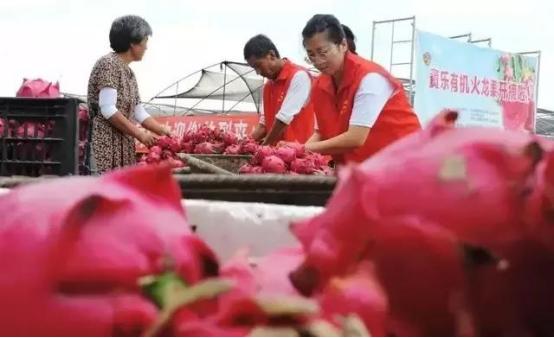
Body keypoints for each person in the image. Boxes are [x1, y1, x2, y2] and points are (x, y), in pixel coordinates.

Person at [302, 14, 421, 164]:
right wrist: (298, 153)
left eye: (323, 52)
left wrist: (303, 149)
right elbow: (320, 132)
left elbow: (356, 138)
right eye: (311, 55)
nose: (317, 61)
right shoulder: (319, 85)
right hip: (364, 168)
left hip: (403, 163)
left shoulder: (370, 78)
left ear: (343, 45)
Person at [87, 15, 170, 173]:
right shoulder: (109, 64)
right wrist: (140, 134)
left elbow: (138, 111)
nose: (147, 47)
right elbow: (107, 109)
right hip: (105, 145)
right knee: (107, 190)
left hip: (123, 144)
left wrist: (162, 131)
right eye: (145, 41)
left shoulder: (129, 73)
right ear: (133, 43)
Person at [244, 34, 315, 145]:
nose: (258, 72)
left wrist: (264, 145)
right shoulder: (268, 86)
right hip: (276, 157)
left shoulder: (299, 76)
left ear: (271, 55)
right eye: (254, 68)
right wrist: (242, 144)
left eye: (258, 65)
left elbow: (284, 118)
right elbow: (263, 125)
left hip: (300, 156)